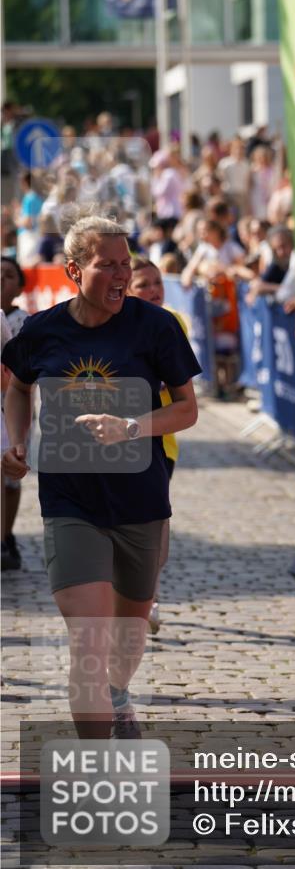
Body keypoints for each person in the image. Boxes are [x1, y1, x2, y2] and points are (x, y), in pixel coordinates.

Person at [1, 216, 201, 739]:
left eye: (125, 264)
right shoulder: (42, 331)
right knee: (88, 641)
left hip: (141, 500)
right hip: (70, 503)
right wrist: (17, 439)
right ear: (73, 269)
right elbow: (19, 387)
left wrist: (132, 426)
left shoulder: (155, 327)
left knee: (128, 637)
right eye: (105, 264)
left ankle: (118, 694)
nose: (120, 274)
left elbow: (187, 410)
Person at [127, 256, 189, 634]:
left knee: (155, 524)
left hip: (161, 442)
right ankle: (132, 595)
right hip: (117, 441)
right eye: (143, 284)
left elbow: (183, 385)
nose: (153, 291)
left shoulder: (173, 322)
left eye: (156, 282)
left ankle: (147, 595)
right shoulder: (118, 327)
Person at [1, 257, 29, 570]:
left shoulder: (24, 321)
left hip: (11, 408)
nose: (1, 280)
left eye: (9, 276)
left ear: (20, 287)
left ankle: (7, 535)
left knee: (11, 478)